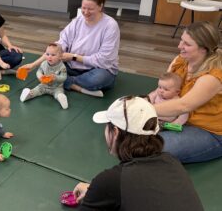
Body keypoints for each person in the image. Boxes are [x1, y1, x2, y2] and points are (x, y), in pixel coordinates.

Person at [71, 96, 203, 210]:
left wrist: (98, 192)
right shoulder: (172, 161)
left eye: (107, 126)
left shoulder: (110, 180)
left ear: (115, 133)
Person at [20, 0, 120, 98]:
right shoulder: (77, 21)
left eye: (90, 9)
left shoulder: (110, 26)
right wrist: (33, 65)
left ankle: (64, 82)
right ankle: (77, 87)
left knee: (98, 79)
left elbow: (104, 60)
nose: (86, 12)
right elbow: (58, 46)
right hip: (72, 67)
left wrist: (73, 57)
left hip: (97, 69)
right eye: (83, 8)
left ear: (100, 7)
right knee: (47, 67)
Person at [155, 21, 222, 163]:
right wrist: (141, 100)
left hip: (208, 131)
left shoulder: (213, 76)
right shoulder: (180, 60)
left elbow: (184, 105)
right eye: (181, 40)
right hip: (178, 120)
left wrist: (140, 110)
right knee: (131, 135)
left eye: (187, 44)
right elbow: (162, 89)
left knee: (150, 147)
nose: (180, 46)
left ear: (204, 49)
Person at [20, 43, 68, 109]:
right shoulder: (44, 63)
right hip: (43, 85)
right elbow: (39, 71)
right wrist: (40, 76)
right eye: (47, 54)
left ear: (60, 56)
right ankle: (27, 95)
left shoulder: (62, 67)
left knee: (59, 93)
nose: (49, 57)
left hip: (56, 87)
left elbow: (64, 77)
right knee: (36, 90)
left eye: (53, 55)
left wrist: (56, 77)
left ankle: (61, 98)